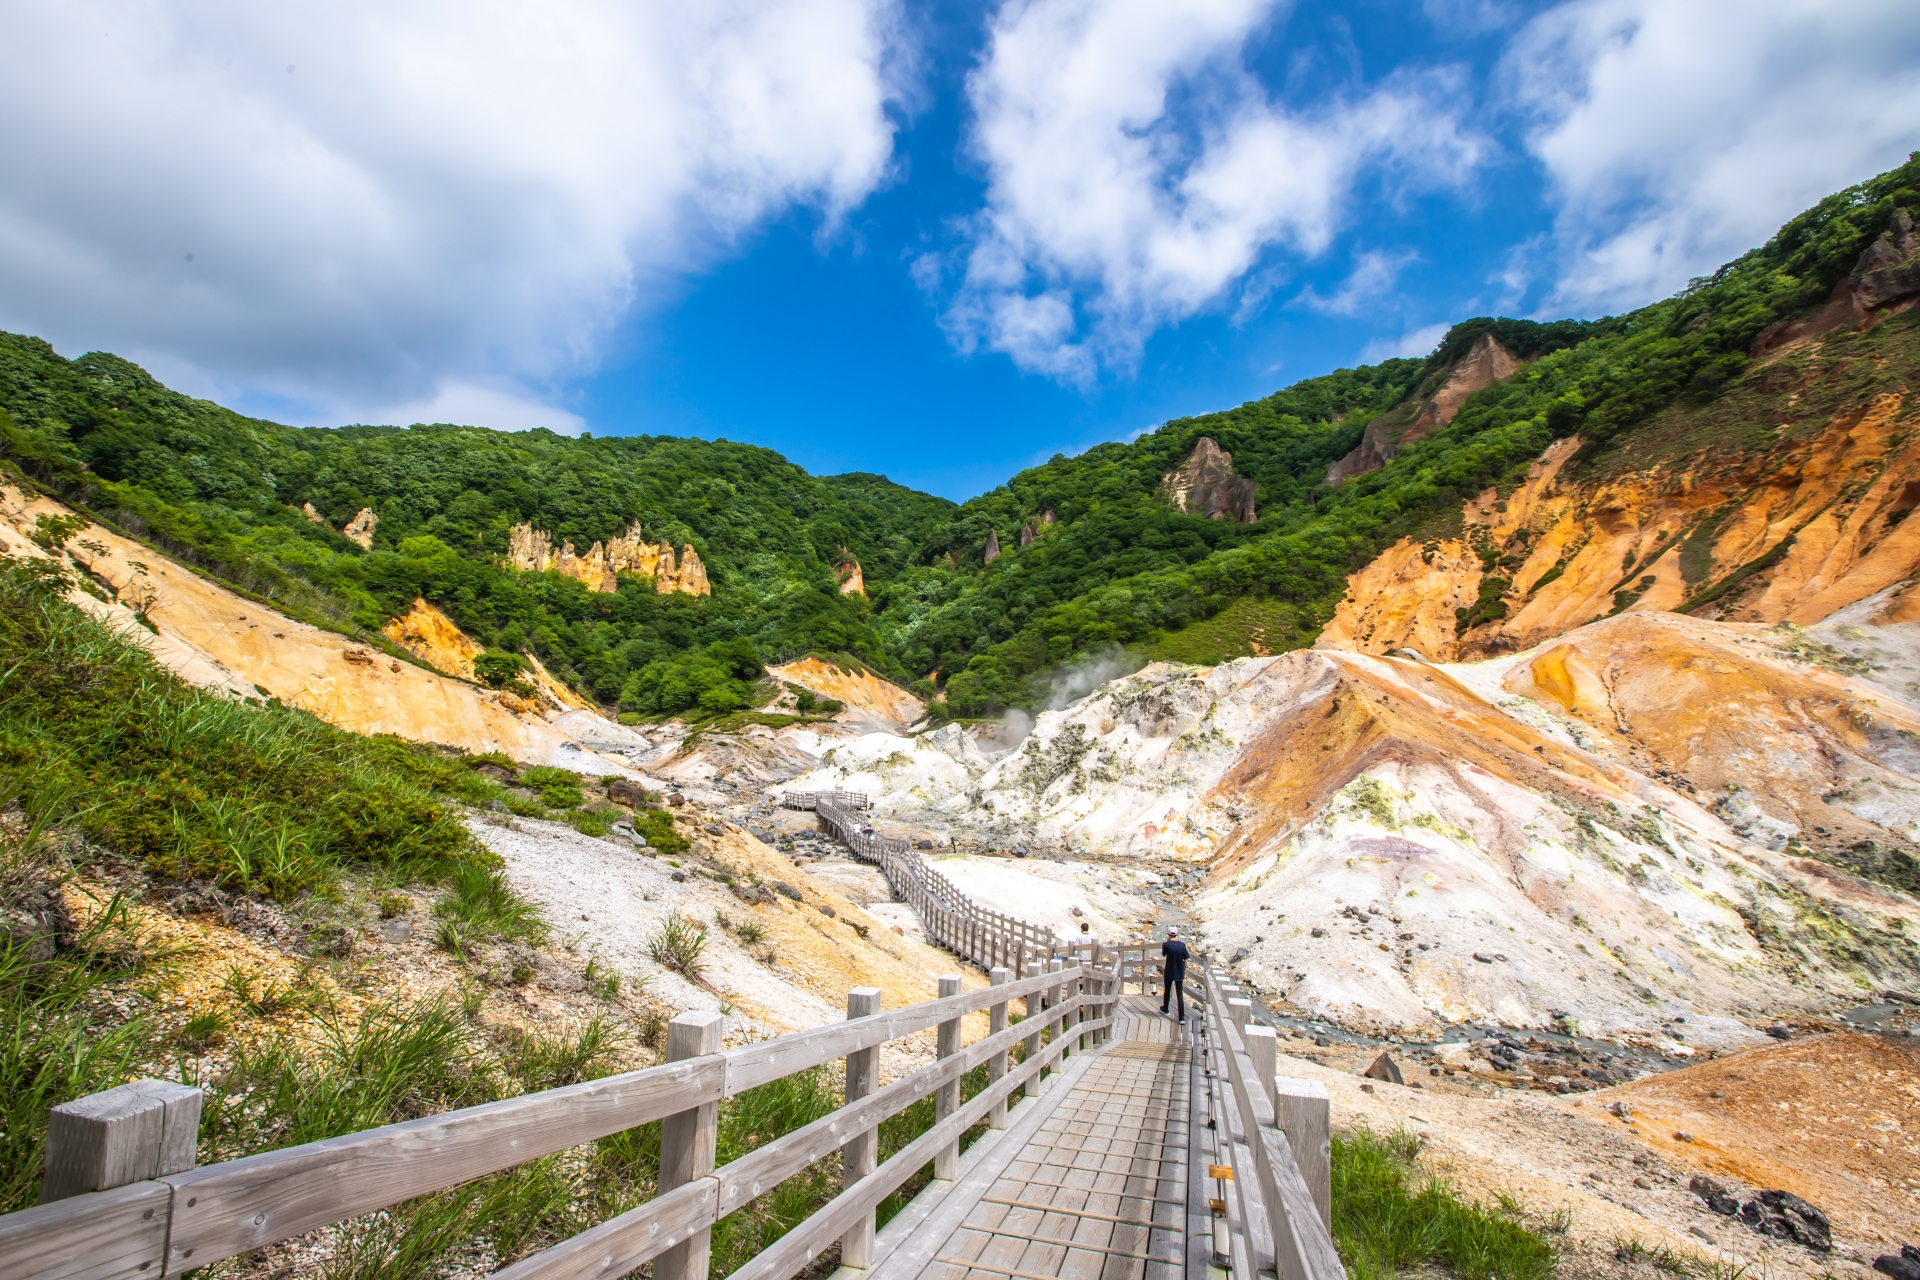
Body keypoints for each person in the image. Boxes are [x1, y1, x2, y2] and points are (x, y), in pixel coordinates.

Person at [1160, 927, 1190, 1023]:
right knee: (1179, 994)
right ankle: (1181, 1017)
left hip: (1169, 970)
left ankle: (1166, 1009)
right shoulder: (1182, 945)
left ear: (1168, 934)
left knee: (1167, 991)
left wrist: (1167, 941)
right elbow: (1185, 960)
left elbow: (1164, 954)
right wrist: (1184, 970)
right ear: (1177, 934)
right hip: (1179, 971)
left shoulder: (1166, 944)